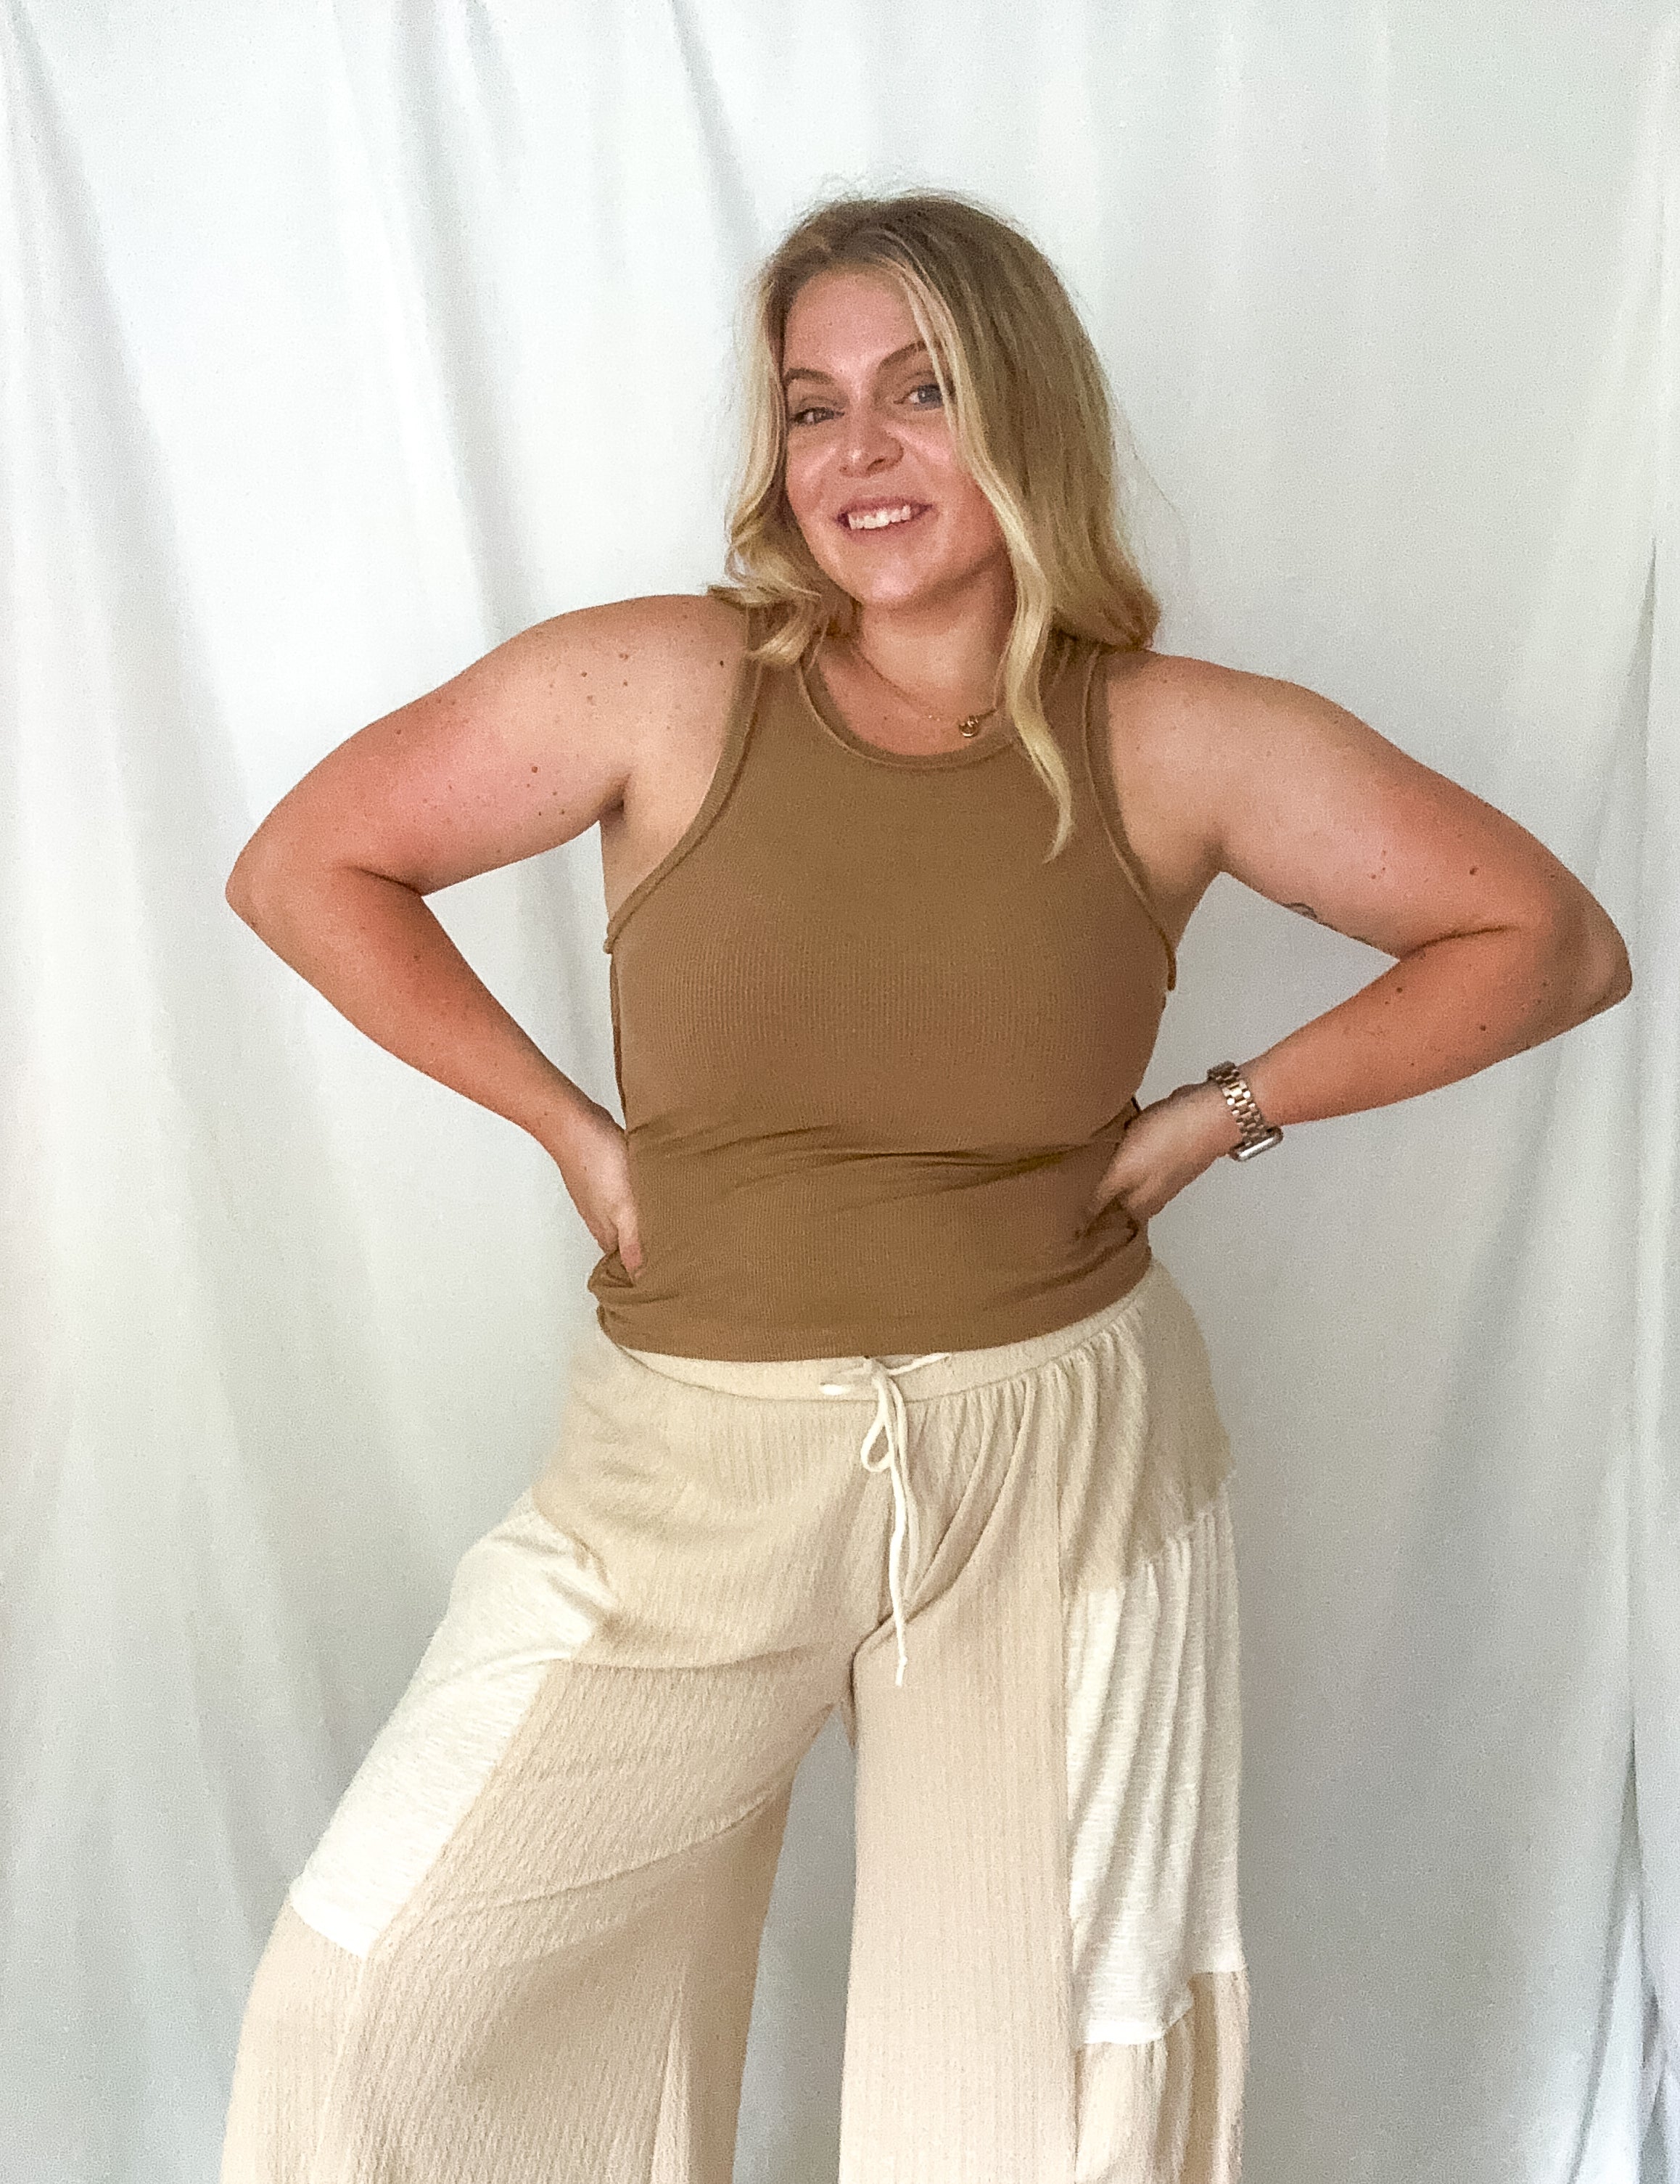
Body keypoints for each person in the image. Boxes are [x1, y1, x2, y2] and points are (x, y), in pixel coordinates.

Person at [215, 188, 1631, 2184]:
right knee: (379, 2005)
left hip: (1059, 1467)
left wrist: (1213, 1111)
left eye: (919, 391)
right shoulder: (654, 681)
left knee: (1026, 2119)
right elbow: (306, 865)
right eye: (811, 408)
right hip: (688, 1467)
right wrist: (567, 1125)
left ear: (1025, 413)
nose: (858, 455)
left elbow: (1547, 944)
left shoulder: (1174, 736)